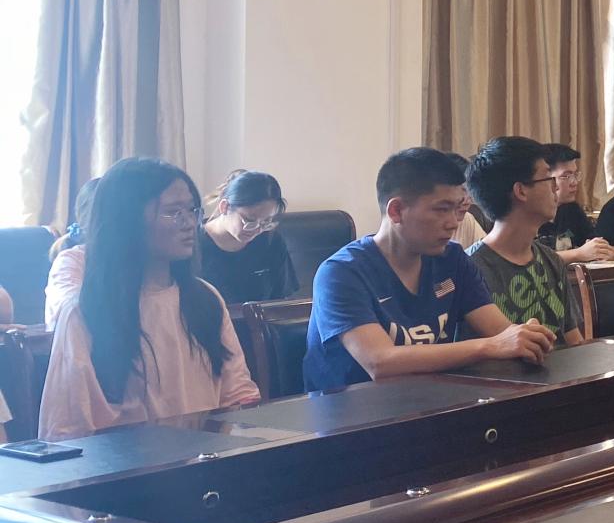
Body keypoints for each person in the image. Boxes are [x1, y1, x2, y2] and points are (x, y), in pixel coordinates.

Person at [39, 157, 260, 440]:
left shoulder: (205, 298)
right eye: (173, 212)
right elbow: (66, 429)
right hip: (122, 464)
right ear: (127, 222)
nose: (189, 223)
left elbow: (237, 393)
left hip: (205, 456)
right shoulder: (86, 312)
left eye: (192, 210)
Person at [304, 148, 557, 391]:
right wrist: (489, 346)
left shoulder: (453, 260)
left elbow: (500, 331)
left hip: (427, 403)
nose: (453, 223)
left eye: (457, 209)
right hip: (352, 414)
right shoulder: (340, 273)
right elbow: (380, 362)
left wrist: (525, 337)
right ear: (396, 211)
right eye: (441, 209)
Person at [465, 136, 586, 347]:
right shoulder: (471, 269)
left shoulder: (551, 260)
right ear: (520, 191)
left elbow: (574, 342)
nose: (556, 188)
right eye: (549, 179)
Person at [198, 169, 299, 307]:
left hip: (260, 320)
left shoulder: (270, 241)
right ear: (225, 207)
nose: (257, 230)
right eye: (249, 220)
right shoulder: (193, 244)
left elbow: (281, 300)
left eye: (266, 222)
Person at [538, 143, 614, 264]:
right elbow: (531, 259)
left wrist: (600, 250)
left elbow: (592, 241)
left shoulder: (572, 210)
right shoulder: (528, 214)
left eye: (575, 175)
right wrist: (578, 254)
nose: (574, 182)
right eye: (566, 176)